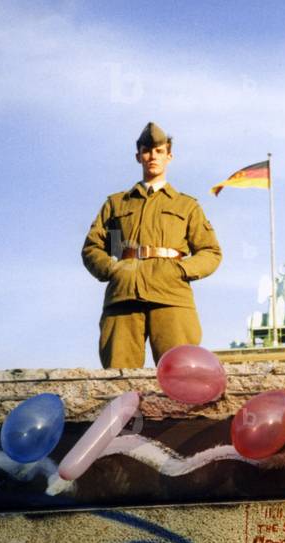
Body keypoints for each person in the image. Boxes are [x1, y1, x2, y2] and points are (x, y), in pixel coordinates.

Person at [82, 122, 222, 368]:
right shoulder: (117, 204)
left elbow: (210, 252)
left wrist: (180, 270)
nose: (153, 156)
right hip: (124, 295)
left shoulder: (186, 205)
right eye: (146, 151)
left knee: (180, 371)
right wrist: (113, 270)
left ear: (169, 156)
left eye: (159, 151)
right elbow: (95, 247)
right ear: (138, 157)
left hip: (171, 294)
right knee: (119, 374)